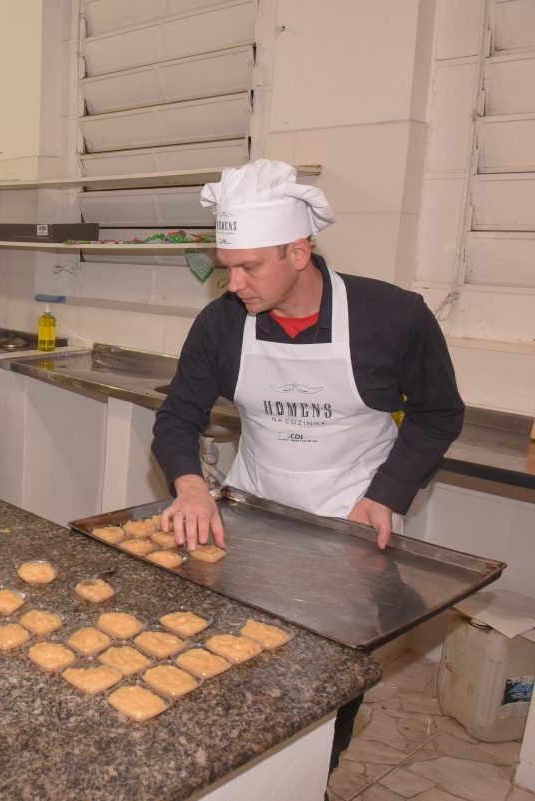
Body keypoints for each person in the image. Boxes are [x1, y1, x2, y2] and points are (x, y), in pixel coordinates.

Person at [151, 158, 464, 772]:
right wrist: (189, 487)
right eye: (227, 268)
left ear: (299, 252)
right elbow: (176, 417)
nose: (233, 284)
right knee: (233, 667)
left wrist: (389, 495)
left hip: (348, 525)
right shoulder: (222, 325)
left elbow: (438, 415)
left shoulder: (393, 317)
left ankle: (312, 777)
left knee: (324, 686)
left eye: (249, 267)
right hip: (251, 518)